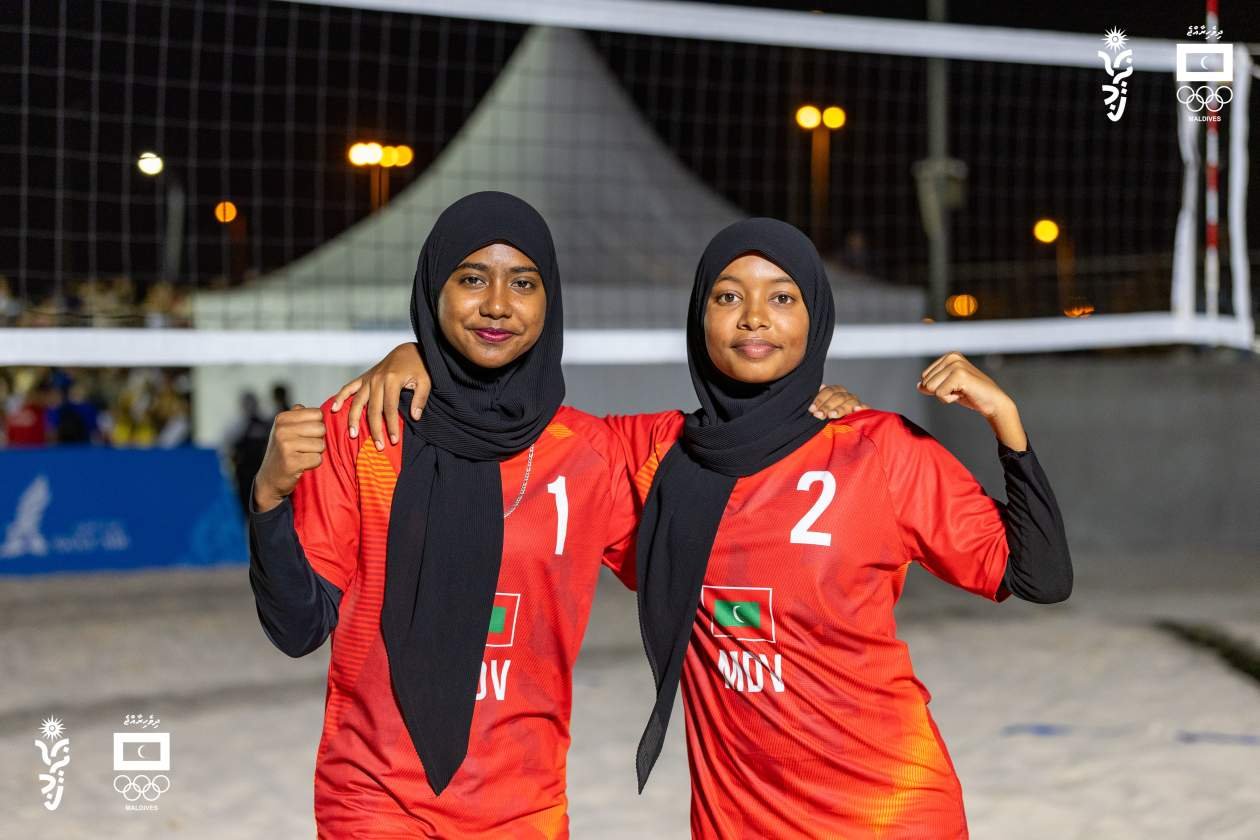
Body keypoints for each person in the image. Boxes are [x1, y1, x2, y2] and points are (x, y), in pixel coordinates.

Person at [337, 217, 1072, 839]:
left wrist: (1006, 423)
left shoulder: (879, 450)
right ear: (700, 319)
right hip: (738, 819)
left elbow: (1037, 576)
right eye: (728, 296)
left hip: (889, 811)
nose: (754, 317)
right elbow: (514, 427)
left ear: (815, 318)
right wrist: (418, 353)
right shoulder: (651, 454)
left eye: (781, 297)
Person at [247, 192, 642, 837]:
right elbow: (297, 628)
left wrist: (806, 413)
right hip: (375, 801)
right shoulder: (363, 430)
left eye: (523, 283)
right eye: (471, 279)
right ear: (434, 289)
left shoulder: (592, 453)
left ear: (551, 300)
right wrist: (269, 497)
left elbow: (722, 507)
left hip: (523, 809)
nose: (497, 305)